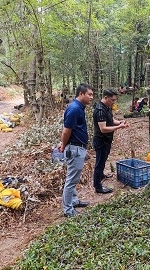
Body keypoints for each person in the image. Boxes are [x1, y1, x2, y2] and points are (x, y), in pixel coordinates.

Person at [58, 83, 93, 217]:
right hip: (74, 149)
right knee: (71, 180)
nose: (91, 97)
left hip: (78, 147)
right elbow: (66, 131)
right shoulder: (74, 109)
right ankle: (68, 210)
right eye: (89, 94)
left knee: (72, 178)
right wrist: (63, 145)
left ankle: (73, 201)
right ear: (81, 94)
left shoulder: (79, 108)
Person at [93, 89, 129, 193]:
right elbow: (103, 128)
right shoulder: (100, 110)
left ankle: (101, 175)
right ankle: (98, 186)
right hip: (100, 141)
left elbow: (112, 121)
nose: (113, 102)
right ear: (105, 97)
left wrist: (120, 123)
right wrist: (119, 127)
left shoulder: (108, 107)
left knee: (103, 160)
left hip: (107, 140)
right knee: (99, 163)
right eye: (112, 100)